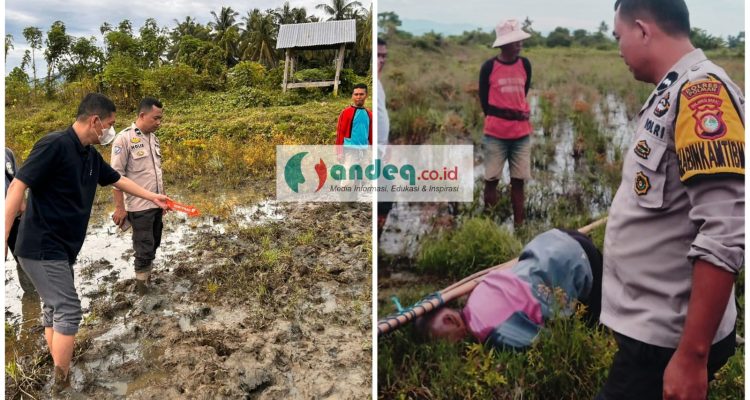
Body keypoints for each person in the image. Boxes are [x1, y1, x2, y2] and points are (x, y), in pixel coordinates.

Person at [598, 1, 744, 399]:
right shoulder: (673, 89)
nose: (618, 49)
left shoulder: (702, 93)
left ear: (643, 31)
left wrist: (692, 356)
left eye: (619, 36)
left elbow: (725, 230)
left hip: (670, 340)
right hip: (655, 330)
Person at [4, 93, 171, 394]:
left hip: (62, 247)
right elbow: (18, 184)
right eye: (109, 124)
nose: (110, 130)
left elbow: (118, 179)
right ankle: (61, 383)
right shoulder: (54, 144)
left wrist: (152, 196)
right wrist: (3, 236)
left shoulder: (89, 155)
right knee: (69, 308)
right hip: (42, 245)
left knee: (54, 308)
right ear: (95, 121)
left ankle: (57, 361)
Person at [418, 229, 602, 350]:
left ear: (450, 319)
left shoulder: (486, 330)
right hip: (554, 240)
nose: (450, 349)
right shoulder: (476, 294)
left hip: (579, 263)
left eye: (443, 342)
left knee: (599, 326)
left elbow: (548, 344)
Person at [479, 19, 533, 227]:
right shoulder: (489, 67)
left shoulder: (525, 65)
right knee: (491, 180)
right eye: (514, 41)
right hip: (495, 135)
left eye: (520, 40)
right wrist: (501, 117)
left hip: (521, 135)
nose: (519, 44)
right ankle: (489, 225)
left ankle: (519, 226)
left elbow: (523, 93)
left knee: (518, 181)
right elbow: (485, 101)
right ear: (503, 44)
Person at [110, 97, 165, 295]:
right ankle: (143, 290)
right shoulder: (124, 139)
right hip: (139, 206)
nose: (159, 122)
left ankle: (147, 278)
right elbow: (116, 176)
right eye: (155, 118)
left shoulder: (153, 138)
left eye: (161, 119)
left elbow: (156, 172)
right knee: (144, 248)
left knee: (154, 242)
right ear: (142, 115)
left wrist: (162, 200)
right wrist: (119, 207)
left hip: (156, 204)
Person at [5, 147, 36, 294]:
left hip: (15, 216)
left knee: (24, 256)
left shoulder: (6, 153)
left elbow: (17, 181)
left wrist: (23, 207)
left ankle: (31, 295)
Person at [376, 38, 393, 235]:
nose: (382, 60)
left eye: (384, 56)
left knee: (385, 200)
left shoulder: (379, 85)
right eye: (378, 55)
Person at [336, 83, 372, 149]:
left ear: (366, 95)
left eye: (361, 94)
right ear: (352, 96)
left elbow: (371, 134)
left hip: (364, 150)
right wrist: (339, 153)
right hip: (349, 150)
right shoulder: (346, 113)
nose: (358, 97)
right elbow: (340, 133)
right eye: (356, 94)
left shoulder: (369, 114)